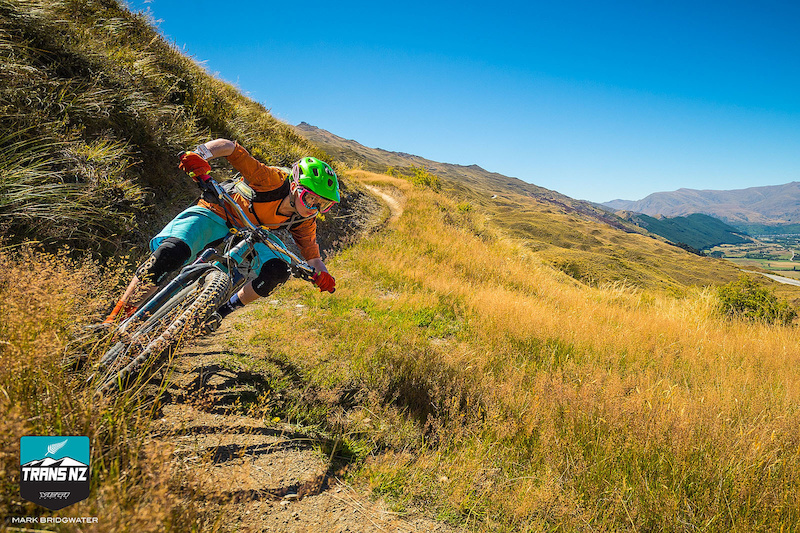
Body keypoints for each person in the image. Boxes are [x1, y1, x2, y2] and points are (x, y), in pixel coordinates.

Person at [102, 138, 338, 327]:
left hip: (254, 233)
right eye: (311, 198)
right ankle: (116, 318)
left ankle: (221, 313)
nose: (315, 207)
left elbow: (312, 254)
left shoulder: (305, 218)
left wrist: (322, 275)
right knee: (171, 252)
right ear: (296, 187)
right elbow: (231, 149)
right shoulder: (271, 179)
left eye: (323, 204)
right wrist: (200, 154)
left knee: (277, 270)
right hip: (219, 210)